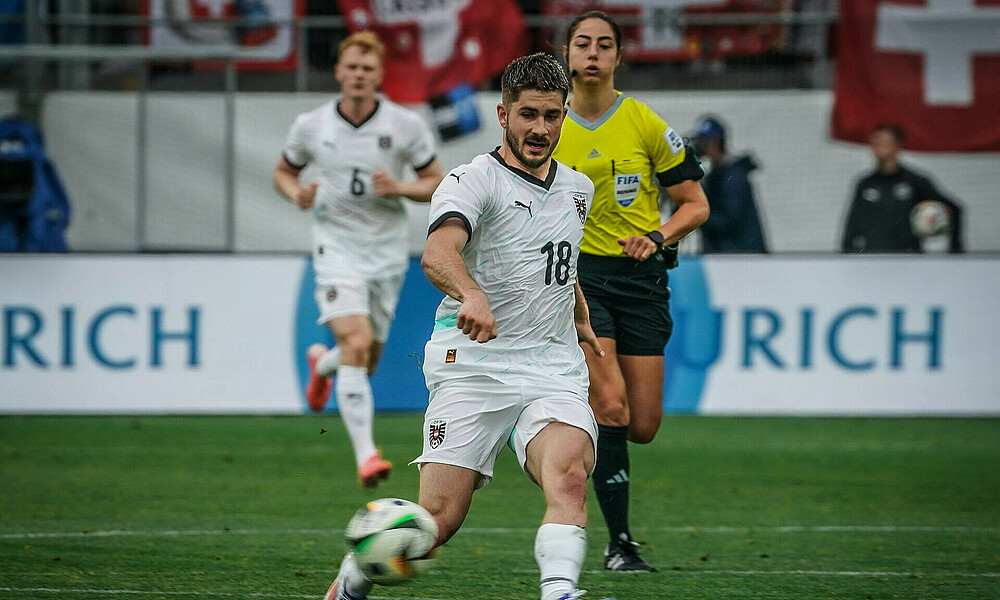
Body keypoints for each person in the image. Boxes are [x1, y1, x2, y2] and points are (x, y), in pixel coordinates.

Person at [324, 52, 614, 600]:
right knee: (436, 524)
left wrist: (576, 307)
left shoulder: (579, 189)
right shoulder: (469, 180)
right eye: (528, 114)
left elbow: (553, 258)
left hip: (553, 367)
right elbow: (438, 252)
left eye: (552, 116)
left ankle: (559, 592)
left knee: (571, 476)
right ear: (503, 114)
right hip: (473, 367)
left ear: (565, 116)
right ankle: (352, 581)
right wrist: (473, 294)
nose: (540, 128)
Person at [551, 11, 710, 572]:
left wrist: (655, 235)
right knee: (611, 404)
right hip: (578, 280)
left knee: (641, 425)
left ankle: (563, 423)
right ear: (567, 55)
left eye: (604, 45)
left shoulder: (644, 123)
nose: (592, 53)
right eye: (582, 44)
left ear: (618, 58)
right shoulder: (549, 123)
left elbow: (696, 204)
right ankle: (619, 544)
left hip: (640, 280)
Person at [272, 31, 444, 488]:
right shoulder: (311, 125)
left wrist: (401, 187)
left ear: (379, 75)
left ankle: (321, 365)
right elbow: (284, 171)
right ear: (339, 72)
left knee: (363, 359)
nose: (358, 76)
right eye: (351, 67)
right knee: (356, 340)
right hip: (337, 250)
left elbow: (435, 180)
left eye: (367, 69)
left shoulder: (405, 126)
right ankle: (368, 456)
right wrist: (298, 194)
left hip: (385, 254)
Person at [841, 123, 964, 254]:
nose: (877, 147)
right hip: (873, 257)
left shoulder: (915, 182)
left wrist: (955, 249)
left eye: (883, 142)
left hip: (909, 257)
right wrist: (846, 256)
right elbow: (852, 223)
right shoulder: (865, 184)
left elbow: (954, 209)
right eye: (874, 143)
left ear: (897, 145)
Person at [690, 115, 769, 253]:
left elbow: (728, 222)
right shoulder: (717, 176)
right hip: (730, 255)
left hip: (742, 256)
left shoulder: (733, 178)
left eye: (705, 141)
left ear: (717, 142)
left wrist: (695, 216)